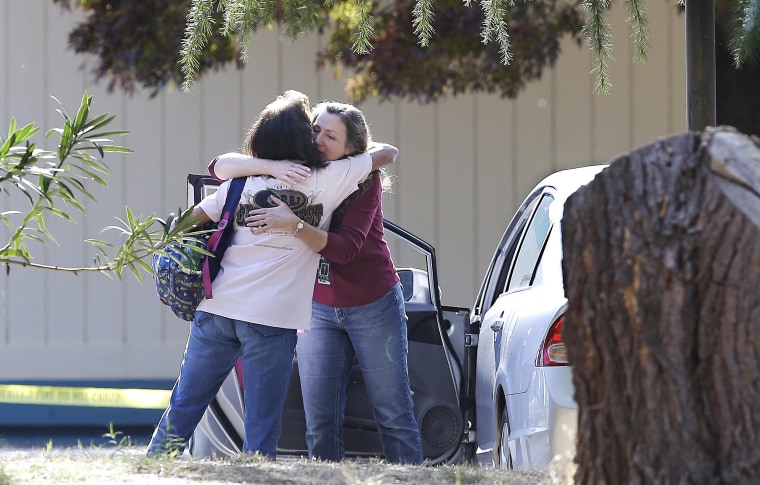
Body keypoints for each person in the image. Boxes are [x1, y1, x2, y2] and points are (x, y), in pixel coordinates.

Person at [146, 90, 398, 459]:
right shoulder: (328, 178)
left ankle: (152, 469)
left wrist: (264, 167)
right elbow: (385, 155)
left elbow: (192, 215)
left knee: (184, 406)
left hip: (216, 310)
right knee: (261, 427)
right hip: (270, 320)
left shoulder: (239, 183)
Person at [210, 101, 424, 464]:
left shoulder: (362, 181)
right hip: (318, 307)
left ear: (351, 149)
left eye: (331, 135)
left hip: (372, 303)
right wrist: (271, 165)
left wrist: (291, 223)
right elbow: (218, 168)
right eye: (316, 131)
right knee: (320, 421)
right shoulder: (296, 169)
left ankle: (411, 475)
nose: (320, 140)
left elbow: (345, 250)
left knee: (393, 413)